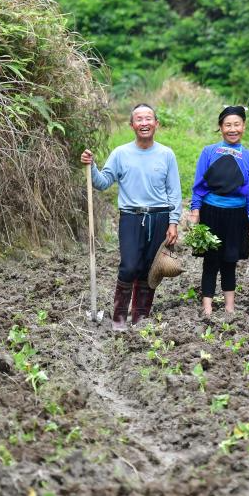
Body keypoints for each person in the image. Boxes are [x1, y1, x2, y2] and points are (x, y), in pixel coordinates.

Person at [80, 104, 181, 331]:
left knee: (149, 269)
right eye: (139, 119)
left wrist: (173, 221)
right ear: (132, 125)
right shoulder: (120, 153)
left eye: (148, 119)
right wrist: (92, 166)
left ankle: (140, 319)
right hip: (131, 217)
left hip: (160, 217)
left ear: (156, 124)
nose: (144, 123)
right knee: (129, 266)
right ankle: (119, 319)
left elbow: (174, 191)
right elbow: (102, 182)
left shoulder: (166, 154)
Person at [190, 106, 249, 316]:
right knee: (211, 261)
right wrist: (196, 210)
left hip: (236, 216)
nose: (232, 129)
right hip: (211, 212)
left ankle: (230, 307)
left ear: (244, 126)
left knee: (230, 261)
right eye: (228, 125)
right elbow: (199, 184)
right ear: (220, 127)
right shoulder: (209, 151)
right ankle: (208, 307)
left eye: (237, 124)